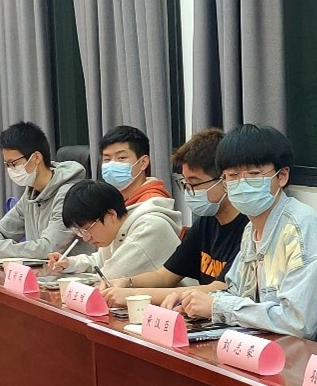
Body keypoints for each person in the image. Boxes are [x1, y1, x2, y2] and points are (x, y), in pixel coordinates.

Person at [170, 124, 317, 340]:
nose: (242, 183)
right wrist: (192, 300)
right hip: (275, 344)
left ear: (282, 176)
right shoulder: (252, 229)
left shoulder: (301, 227)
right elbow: (236, 291)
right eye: (232, 175)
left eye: (254, 174)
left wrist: (217, 306)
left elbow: (299, 322)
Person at [101, 128, 248, 307]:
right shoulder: (206, 222)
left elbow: (219, 288)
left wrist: (132, 295)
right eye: (185, 183)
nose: (189, 191)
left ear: (225, 179)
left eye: (194, 183)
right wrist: (126, 282)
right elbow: (164, 276)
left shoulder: (248, 227)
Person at [0, 121, 85, 260]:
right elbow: (3, 232)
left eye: (13, 163)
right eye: (7, 165)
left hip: (72, 272)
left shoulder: (69, 194)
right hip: (42, 271)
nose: (10, 169)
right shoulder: (31, 194)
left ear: (36, 158)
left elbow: (48, 248)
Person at [47, 181, 182, 280]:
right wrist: (69, 263)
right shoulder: (118, 228)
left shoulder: (148, 228)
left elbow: (109, 276)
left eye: (86, 230)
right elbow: (99, 261)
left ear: (111, 215)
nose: (86, 238)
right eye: (80, 232)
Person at [99, 124, 171, 206]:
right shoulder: (110, 200)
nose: (112, 164)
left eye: (121, 158)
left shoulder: (153, 204)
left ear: (143, 162)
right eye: (107, 159)